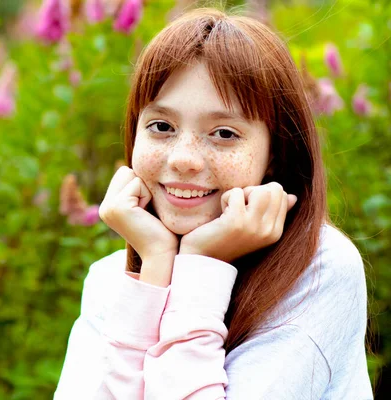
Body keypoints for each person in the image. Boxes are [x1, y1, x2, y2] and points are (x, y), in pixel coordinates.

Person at [54, 8, 372, 400]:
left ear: (275, 152)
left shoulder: (319, 273)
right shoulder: (109, 282)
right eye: (162, 127)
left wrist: (202, 263)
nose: (183, 158)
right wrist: (155, 265)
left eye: (223, 133)